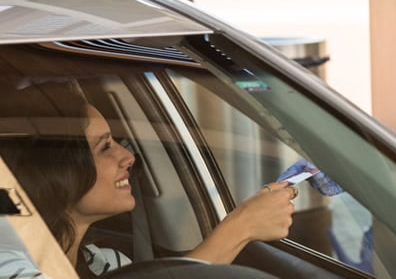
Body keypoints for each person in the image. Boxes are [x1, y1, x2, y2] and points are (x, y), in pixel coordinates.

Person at [0, 82, 297, 277]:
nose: (128, 157)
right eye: (105, 147)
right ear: (57, 171)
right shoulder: (8, 264)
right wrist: (240, 227)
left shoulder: (106, 264)